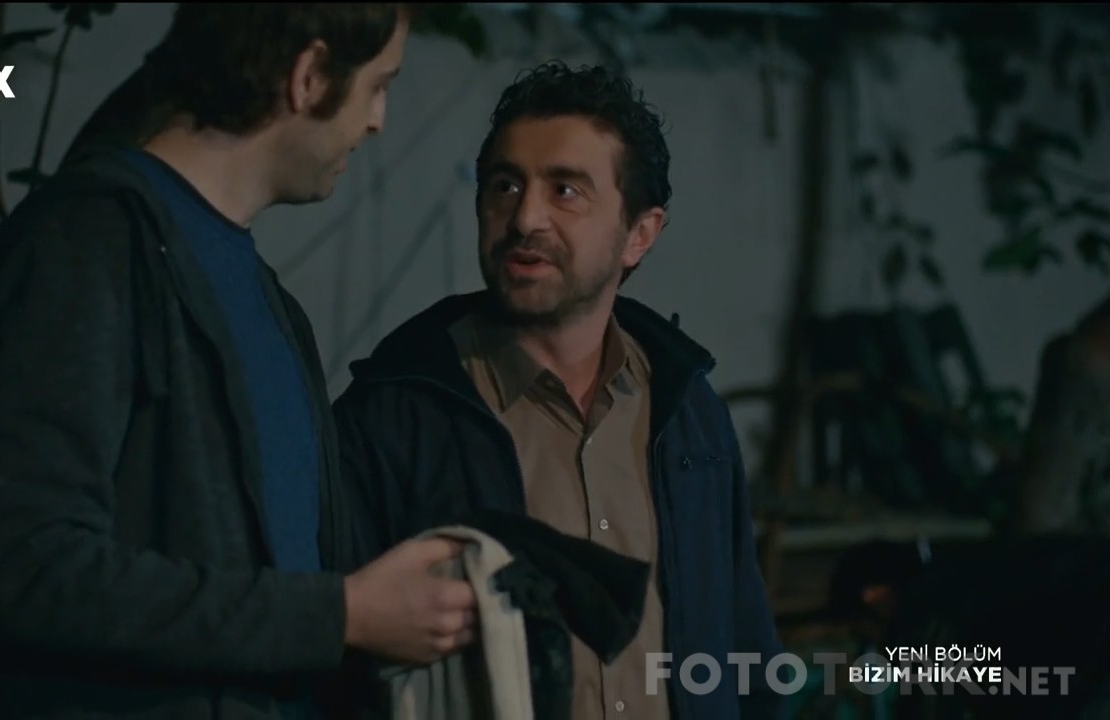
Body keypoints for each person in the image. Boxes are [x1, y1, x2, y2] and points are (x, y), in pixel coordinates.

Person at [0, 5, 477, 719]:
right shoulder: (90, 244)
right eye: (378, 86)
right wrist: (341, 614)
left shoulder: (275, 310)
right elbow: (27, 567)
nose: (378, 121)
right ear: (310, 76)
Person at [333, 61, 786, 719]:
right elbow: (340, 672)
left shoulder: (685, 409)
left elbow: (745, 646)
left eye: (565, 190)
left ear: (639, 234)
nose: (525, 218)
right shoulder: (395, 418)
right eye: (505, 185)